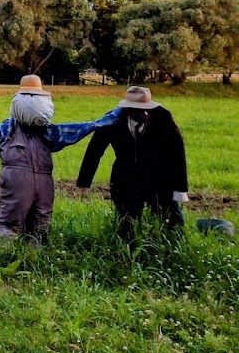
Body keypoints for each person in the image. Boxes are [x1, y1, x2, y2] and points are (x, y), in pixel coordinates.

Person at [0, 75, 121, 244]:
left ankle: (3, 253)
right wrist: (113, 116)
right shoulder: (49, 132)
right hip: (44, 181)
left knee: (10, 220)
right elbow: (81, 128)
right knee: (40, 222)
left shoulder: (9, 127)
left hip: (16, 179)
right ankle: (34, 252)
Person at [76, 86, 187, 241]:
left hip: (159, 179)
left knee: (173, 223)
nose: (141, 113)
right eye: (136, 110)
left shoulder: (162, 117)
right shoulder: (112, 120)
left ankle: (173, 247)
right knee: (126, 225)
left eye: (145, 109)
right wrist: (84, 180)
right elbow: (95, 149)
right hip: (125, 179)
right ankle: (127, 249)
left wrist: (180, 188)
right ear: (127, 109)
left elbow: (177, 151)